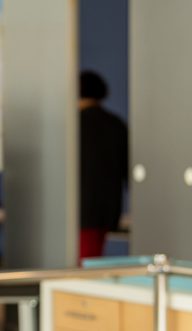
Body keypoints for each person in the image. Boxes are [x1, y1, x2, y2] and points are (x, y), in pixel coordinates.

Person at [78, 71, 128, 264]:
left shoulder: (74, 125)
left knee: (79, 269)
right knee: (91, 258)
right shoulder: (116, 124)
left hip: (80, 210)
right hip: (106, 210)